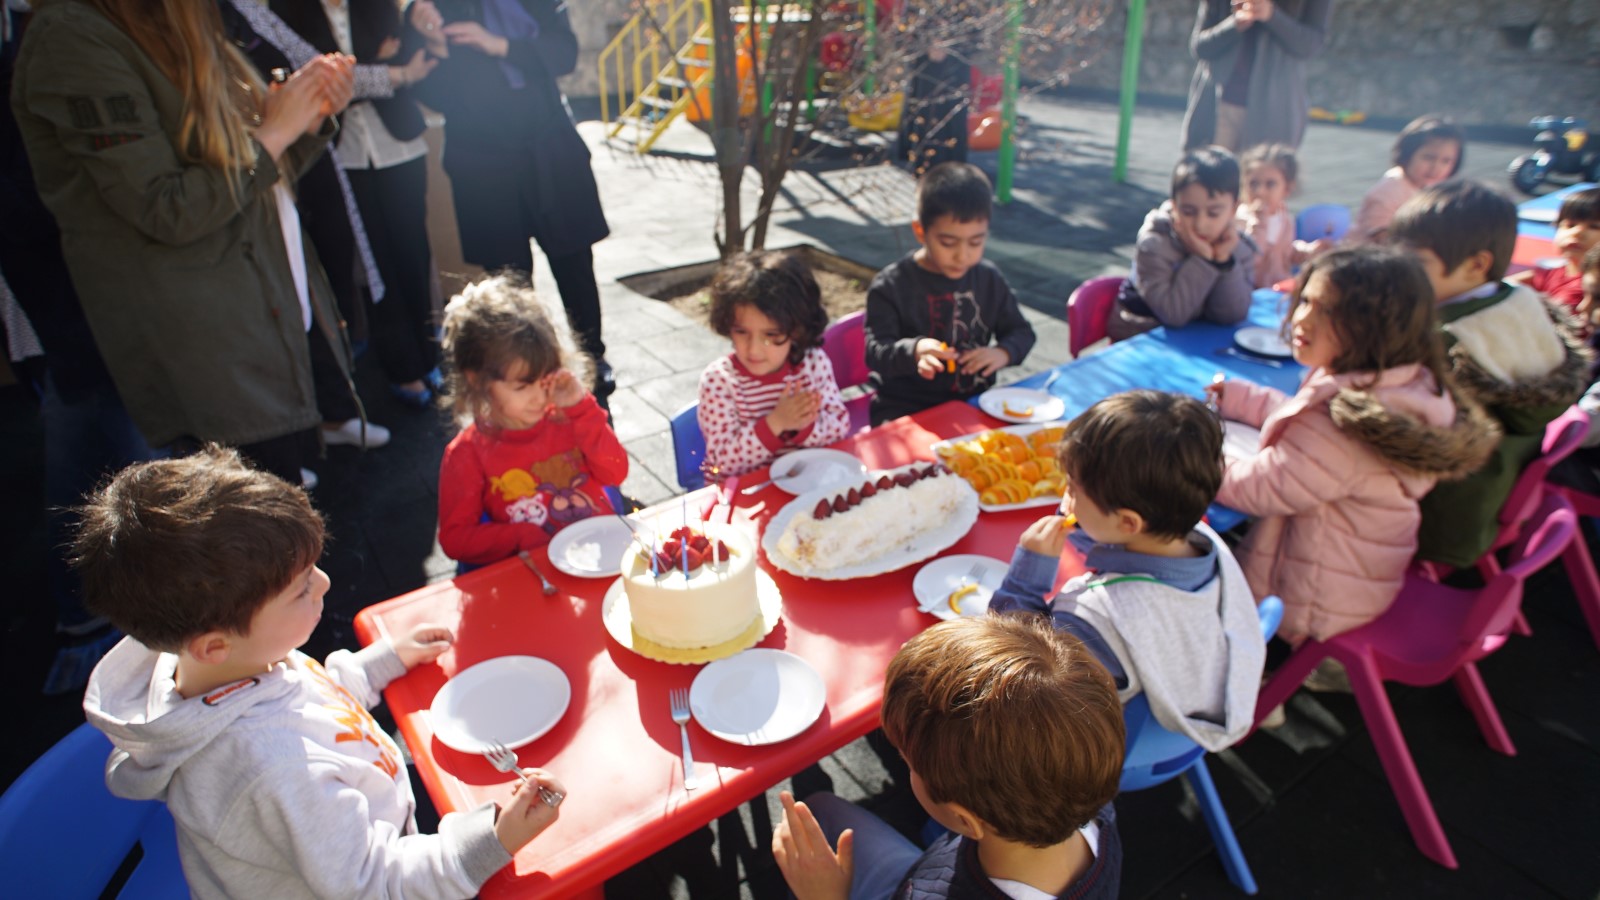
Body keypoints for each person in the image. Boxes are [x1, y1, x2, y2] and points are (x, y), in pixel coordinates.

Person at [77, 447, 564, 897]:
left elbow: (309, 699)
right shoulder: (279, 772)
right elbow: (376, 885)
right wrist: (492, 841)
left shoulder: (227, 664)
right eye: (301, 589)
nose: (325, 583)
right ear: (214, 646)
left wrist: (380, 662)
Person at [11, 0, 361, 486]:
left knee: (274, 510)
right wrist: (276, 133)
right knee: (244, 520)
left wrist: (308, 116)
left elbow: (250, 177)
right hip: (204, 346)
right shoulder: (75, 36)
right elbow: (167, 206)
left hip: (246, 319)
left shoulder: (171, 19)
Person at [1212, 247, 1498, 642]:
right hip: (1361, 572)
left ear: (1377, 326)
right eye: (1306, 300)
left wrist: (1194, 451)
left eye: (1329, 311)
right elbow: (1303, 422)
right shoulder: (1398, 381)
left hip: (1308, 599)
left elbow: (1256, 489)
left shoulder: (1341, 427)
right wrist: (1241, 399)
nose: (1302, 318)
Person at [771, 614, 1124, 900]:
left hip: (913, 883)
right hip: (943, 864)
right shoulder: (1091, 805)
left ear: (965, 820)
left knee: (818, 809)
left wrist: (824, 895)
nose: (907, 766)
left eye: (908, 764)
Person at [989, 390, 1266, 751]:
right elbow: (1121, 539)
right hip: (1186, 726)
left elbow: (1019, 674)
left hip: (1091, 751)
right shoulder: (1202, 540)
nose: (1065, 495)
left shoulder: (1093, 621)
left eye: (1073, 488)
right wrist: (1086, 516)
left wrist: (1024, 581)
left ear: (1129, 523)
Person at [405, 0, 615, 400]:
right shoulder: (429, 9)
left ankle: (593, 356)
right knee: (511, 280)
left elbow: (564, 53)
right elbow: (433, 95)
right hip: (484, 168)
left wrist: (498, 44)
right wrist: (435, 46)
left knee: (574, 263)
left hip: (548, 152)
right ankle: (531, 368)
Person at [1390, 181, 1591, 569]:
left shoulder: (1449, 340)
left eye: (1415, 263)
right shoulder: (1519, 302)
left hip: (1438, 515)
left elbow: (1391, 420)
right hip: (1493, 486)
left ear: (1476, 265)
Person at [266, 0, 445, 409]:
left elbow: (415, 62)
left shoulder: (382, 6)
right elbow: (320, 82)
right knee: (374, 266)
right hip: (340, 154)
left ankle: (429, 357)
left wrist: (374, 74)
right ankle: (403, 369)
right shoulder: (287, 12)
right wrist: (390, 72)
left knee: (414, 254)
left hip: (399, 147)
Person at [437, 275, 627, 567]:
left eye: (544, 380)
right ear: (477, 380)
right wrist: (519, 536)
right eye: (522, 387)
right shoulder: (467, 453)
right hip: (537, 573)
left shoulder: (569, 417)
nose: (539, 397)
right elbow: (456, 539)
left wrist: (582, 409)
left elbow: (615, 473)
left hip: (598, 556)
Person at [864, 162, 1036, 425]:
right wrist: (914, 350)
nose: (962, 255)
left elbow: (1022, 332)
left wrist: (1003, 352)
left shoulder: (988, 278)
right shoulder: (891, 286)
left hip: (974, 404)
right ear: (920, 231)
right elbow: (876, 352)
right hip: (906, 410)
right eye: (948, 243)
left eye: (976, 242)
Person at [698, 250, 851, 478]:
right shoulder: (719, 381)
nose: (754, 349)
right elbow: (722, 461)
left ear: (797, 329)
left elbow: (839, 427)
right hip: (744, 492)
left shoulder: (812, 364)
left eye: (771, 334)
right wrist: (776, 423)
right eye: (741, 332)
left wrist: (803, 425)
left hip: (806, 483)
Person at [1110, 146, 1259, 342]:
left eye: (1213, 213)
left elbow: (1232, 315)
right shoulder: (1153, 245)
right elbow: (1174, 315)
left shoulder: (1238, 247)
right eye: (1188, 212)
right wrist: (1204, 260)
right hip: (1142, 338)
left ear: (1234, 209)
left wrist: (1223, 262)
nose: (1200, 224)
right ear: (1174, 207)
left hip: (1196, 341)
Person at [1181, 0, 1333, 153]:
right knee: (1210, 166)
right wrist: (1234, 25)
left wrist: (1271, 16)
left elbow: (1310, 46)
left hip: (1274, 113)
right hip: (1219, 107)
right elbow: (1200, 47)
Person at [1349, 115, 1463, 243]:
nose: (1436, 167)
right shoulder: (1389, 190)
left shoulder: (1434, 188)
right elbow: (1381, 236)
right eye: (1429, 157)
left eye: (1446, 161)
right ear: (1407, 154)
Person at [1237, 142, 1326, 288]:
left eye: (1270, 184)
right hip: (1249, 290)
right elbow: (1250, 258)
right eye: (1253, 184)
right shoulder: (1240, 219)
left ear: (1287, 189)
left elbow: (1284, 252)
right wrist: (1259, 221)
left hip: (1278, 288)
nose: (1260, 191)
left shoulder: (1284, 218)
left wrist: (1304, 251)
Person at [1512, 187, 1600, 310]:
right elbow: (1504, 287)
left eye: (1594, 227)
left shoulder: (1593, 287)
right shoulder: (1549, 274)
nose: (1576, 232)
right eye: (1570, 225)